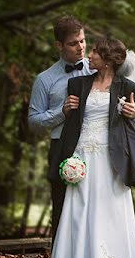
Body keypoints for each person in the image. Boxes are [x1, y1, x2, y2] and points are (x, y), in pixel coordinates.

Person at [44, 36, 135, 258]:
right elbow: (70, 121)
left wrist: (134, 114)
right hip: (82, 159)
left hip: (111, 162)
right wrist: (66, 110)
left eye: (94, 52)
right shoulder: (77, 84)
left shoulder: (126, 87)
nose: (88, 55)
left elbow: (131, 119)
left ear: (107, 60)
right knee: (78, 214)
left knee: (109, 215)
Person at [28, 15, 93, 237]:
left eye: (83, 40)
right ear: (59, 45)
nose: (81, 47)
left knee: (95, 210)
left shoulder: (97, 72)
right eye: (74, 43)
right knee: (62, 209)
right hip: (61, 148)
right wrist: (60, 112)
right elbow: (34, 123)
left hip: (94, 148)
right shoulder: (44, 80)